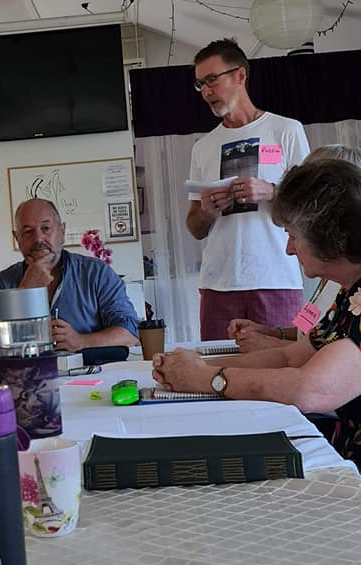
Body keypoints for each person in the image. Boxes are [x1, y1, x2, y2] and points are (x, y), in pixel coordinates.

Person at [153, 159, 361, 469]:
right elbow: (291, 357)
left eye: (292, 236)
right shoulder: (350, 291)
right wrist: (195, 367)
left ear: (328, 238)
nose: (289, 249)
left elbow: (309, 388)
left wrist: (206, 378)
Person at [187, 39, 310, 340]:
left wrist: (271, 191)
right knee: (218, 371)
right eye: (200, 84)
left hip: (277, 279)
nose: (206, 91)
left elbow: (312, 204)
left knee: (282, 366)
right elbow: (195, 227)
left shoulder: (286, 130)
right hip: (218, 284)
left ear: (240, 76)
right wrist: (207, 210)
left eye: (212, 80)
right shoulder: (202, 147)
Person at [229, 144, 361, 352]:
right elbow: (310, 333)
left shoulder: (349, 282)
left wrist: (271, 345)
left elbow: (322, 360)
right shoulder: (333, 276)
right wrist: (271, 332)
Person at [0, 199, 139, 353]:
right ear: (17, 238)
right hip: (28, 376)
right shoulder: (4, 282)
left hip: (90, 375)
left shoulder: (96, 273)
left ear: (62, 231)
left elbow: (130, 334)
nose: (38, 239)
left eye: (46, 228)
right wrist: (25, 291)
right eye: (28, 232)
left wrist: (80, 341)